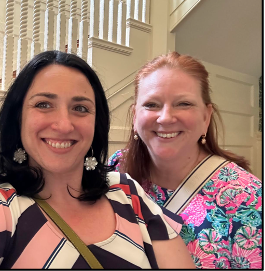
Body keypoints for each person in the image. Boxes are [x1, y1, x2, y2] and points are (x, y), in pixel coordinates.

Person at [0, 51, 195, 269]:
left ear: (96, 124)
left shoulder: (127, 192)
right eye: (44, 104)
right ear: (17, 118)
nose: (63, 124)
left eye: (80, 108)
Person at [108, 51, 262, 269]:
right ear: (135, 116)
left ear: (206, 116)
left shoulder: (248, 200)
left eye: (184, 104)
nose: (166, 117)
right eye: (151, 104)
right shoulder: (116, 168)